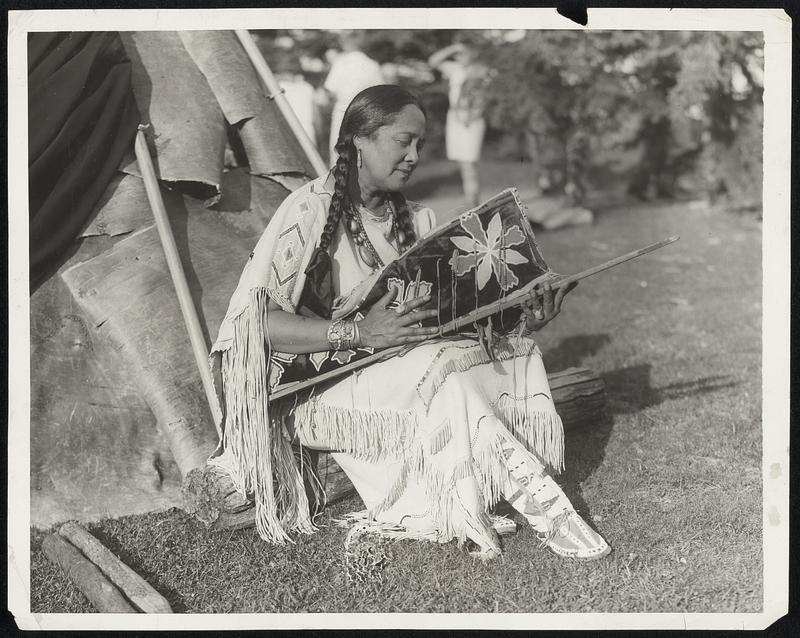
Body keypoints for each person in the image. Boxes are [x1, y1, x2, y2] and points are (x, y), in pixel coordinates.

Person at [208, 85, 610, 561]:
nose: (415, 155)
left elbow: (450, 326)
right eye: (403, 141)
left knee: (512, 352)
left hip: (396, 377)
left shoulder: (418, 222)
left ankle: (474, 491)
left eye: (421, 143)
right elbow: (258, 327)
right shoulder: (310, 210)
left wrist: (526, 316)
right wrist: (360, 333)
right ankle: (543, 504)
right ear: (360, 138)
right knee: (442, 371)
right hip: (308, 395)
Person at [429, 41, 492, 208]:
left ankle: (473, 203)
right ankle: (471, 202)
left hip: (471, 119)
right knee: (464, 165)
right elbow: (433, 61)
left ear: (472, 53)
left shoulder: (480, 70)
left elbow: (483, 98)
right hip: (455, 118)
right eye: (457, 55)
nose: (459, 57)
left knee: (469, 164)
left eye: (462, 53)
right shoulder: (455, 69)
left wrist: (472, 116)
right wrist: (454, 47)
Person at [323, 30, 384, 165]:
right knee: (362, 155)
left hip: (343, 114)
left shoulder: (341, 62)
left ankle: (341, 185)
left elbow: (330, 91)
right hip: (366, 115)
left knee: (339, 154)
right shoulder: (372, 64)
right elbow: (380, 95)